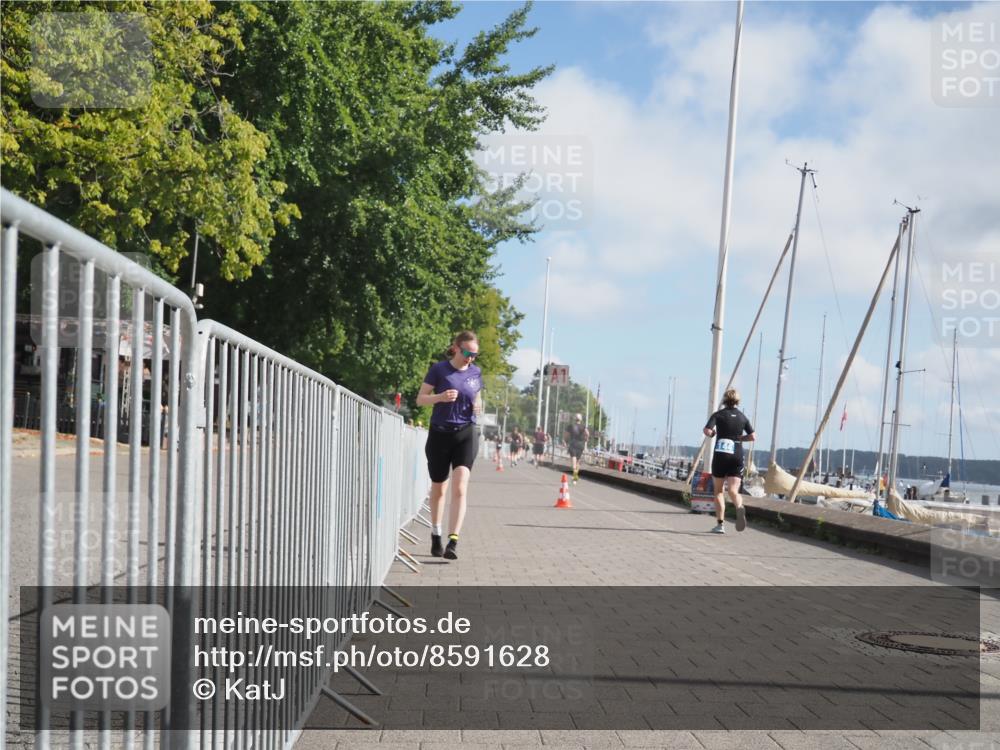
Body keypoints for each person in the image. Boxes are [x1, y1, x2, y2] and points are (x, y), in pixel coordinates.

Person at [416, 331, 483, 560]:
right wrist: (440, 397)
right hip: (440, 433)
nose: (470, 358)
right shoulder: (439, 369)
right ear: (455, 348)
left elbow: (477, 395)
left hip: (466, 431)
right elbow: (420, 398)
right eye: (466, 353)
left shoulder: (476, 372)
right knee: (439, 488)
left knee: (461, 486)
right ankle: (436, 534)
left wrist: (478, 406)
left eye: (474, 354)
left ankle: (453, 541)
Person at [702, 388, 756, 534]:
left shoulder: (718, 415)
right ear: (738, 400)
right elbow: (753, 436)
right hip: (736, 454)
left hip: (721, 455)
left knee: (719, 491)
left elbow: (707, 430)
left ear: (725, 400)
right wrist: (741, 438)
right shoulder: (743, 417)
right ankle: (739, 507)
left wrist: (713, 433)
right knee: (733, 490)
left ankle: (720, 525)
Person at [563, 413, 589, 484]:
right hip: (581, 445)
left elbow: (566, 435)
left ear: (575, 419)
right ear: (581, 419)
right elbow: (587, 433)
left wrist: (565, 441)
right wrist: (586, 439)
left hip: (573, 445)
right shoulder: (583, 426)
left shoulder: (571, 426)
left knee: (573, 462)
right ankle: (575, 476)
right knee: (578, 461)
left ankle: (574, 476)